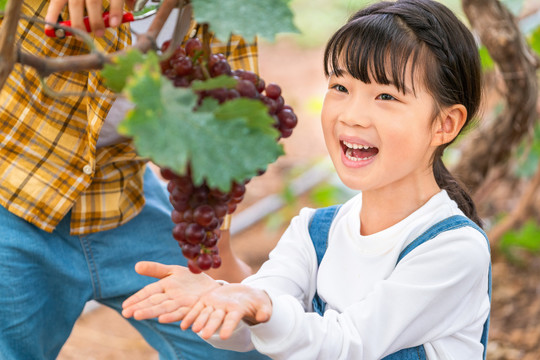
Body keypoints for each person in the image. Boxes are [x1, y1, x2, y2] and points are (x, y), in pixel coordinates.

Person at [121, 0, 492, 359]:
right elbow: (252, 318)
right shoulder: (314, 232)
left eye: (385, 96)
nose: (353, 116)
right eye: (341, 88)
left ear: (446, 124)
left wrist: (259, 305)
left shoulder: (454, 251)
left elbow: (349, 346)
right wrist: (220, 299)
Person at [0, 0, 268, 359]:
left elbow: (225, 124)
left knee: (236, 346)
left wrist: (218, 251)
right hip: (13, 195)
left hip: (124, 197)